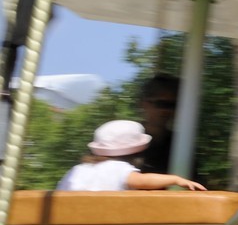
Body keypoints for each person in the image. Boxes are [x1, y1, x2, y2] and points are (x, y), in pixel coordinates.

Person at [56, 120, 208, 192]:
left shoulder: (76, 170)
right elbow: (142, 181)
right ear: (136, 152)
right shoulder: (119, 169)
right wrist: (176, 179)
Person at [136, 74, 179, 175]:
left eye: (172, 105)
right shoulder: (127, 138)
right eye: (161, 104)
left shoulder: (179, 144)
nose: (166, 111)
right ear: (144, 104)